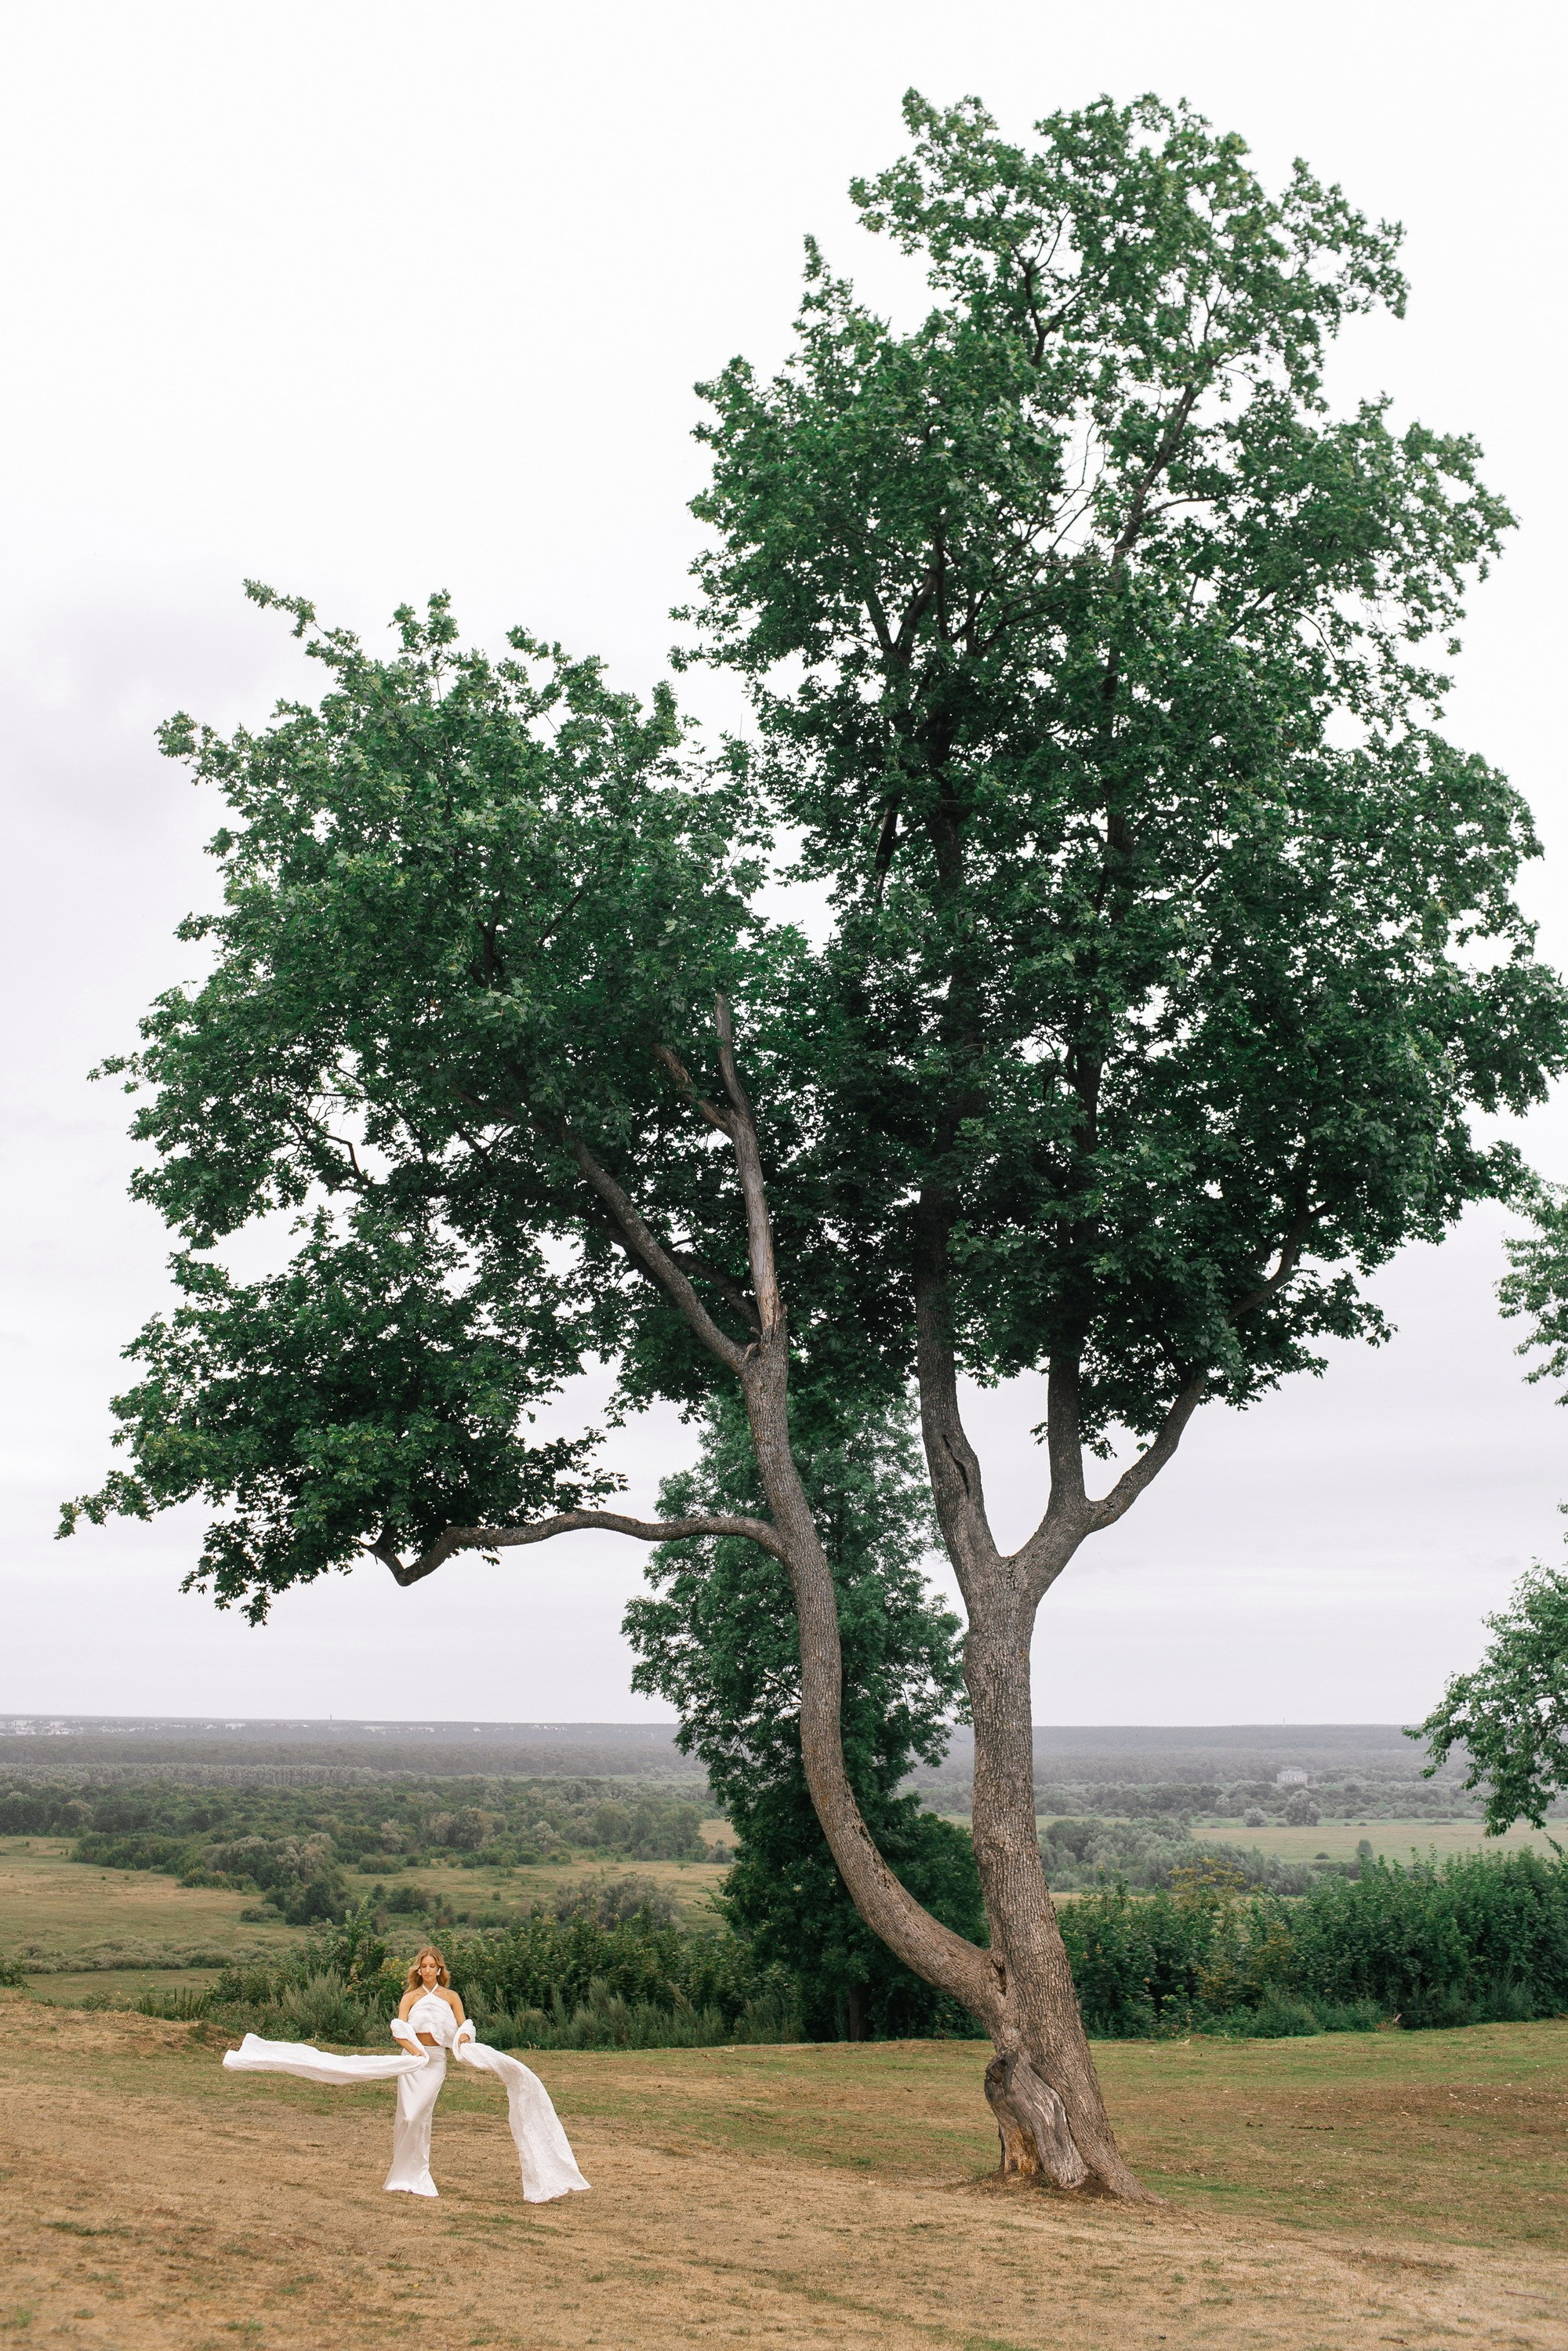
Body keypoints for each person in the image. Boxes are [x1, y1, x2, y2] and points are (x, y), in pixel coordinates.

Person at [221, 1943, 590, 2202]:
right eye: (423, 1966)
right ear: (418, 1969)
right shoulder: (410, 1997)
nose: (428, 1970)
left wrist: (461, 2041)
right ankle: (404, 2176)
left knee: (420, 2115)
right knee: (408, 2116)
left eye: (433, 1966)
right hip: (412, 2060)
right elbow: (399, 2027)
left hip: (437, 2062)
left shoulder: (451, 1996)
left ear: (440, 1969)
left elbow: (466, 2026)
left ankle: (419, 2176)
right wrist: (413, 2051)